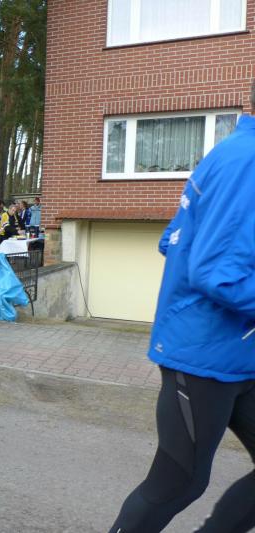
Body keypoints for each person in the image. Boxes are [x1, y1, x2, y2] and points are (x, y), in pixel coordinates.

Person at [108, 101, 255, 532]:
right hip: (203, 353)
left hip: (239, 352)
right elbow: (215, 272)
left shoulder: (232, 152)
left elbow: (172, 238)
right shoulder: (247, 161)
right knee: (178, 482)